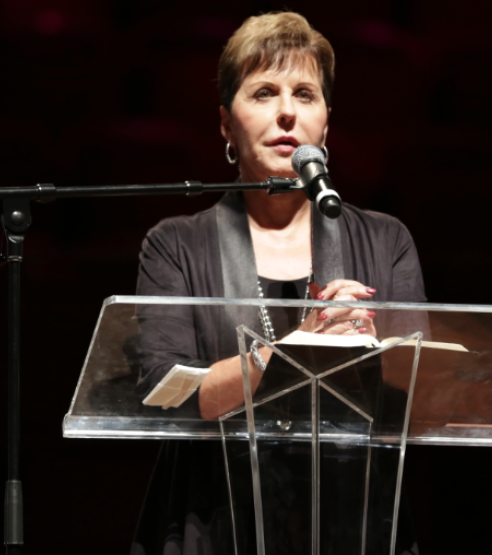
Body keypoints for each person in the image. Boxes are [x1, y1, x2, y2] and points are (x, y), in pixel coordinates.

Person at [131, 12, 425, 555]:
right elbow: (165, 396)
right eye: (264, 92)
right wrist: (294, 352)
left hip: (357, 522)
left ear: (326, 125)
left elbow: (417, 398)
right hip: (217, 521)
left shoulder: (388, 240)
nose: (287, 111)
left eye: (305, 94)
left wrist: (373, 356)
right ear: (225, 123)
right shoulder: (175, 244)